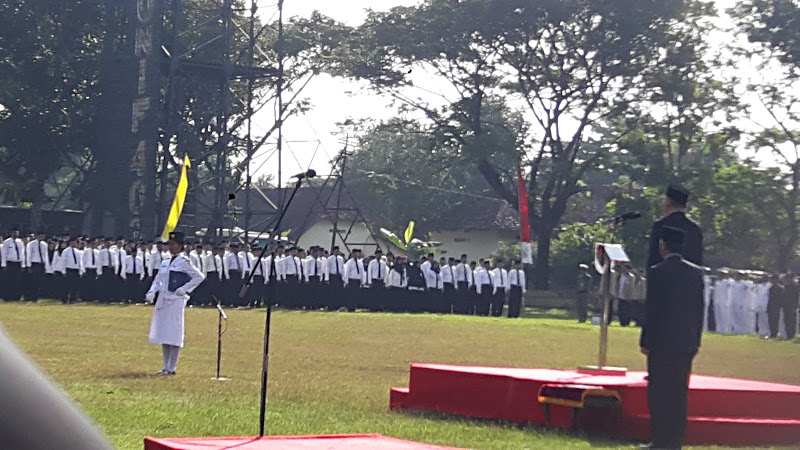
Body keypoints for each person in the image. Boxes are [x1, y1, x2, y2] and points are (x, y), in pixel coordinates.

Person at [640, 226, 704, 449]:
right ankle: (675, 440)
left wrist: (646, 341)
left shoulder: (657, 272)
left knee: (658, 392)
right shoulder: (695, 273)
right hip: (685, 342)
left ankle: (660, 440)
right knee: (679, 393)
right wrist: (696, 341)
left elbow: (652, 311)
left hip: (661, 342)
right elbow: (699, 311)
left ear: (662, 246)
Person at [144, 231, 205, 376]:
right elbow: (158, 279)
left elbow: (199, 276)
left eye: (173, 244)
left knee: (174, 333)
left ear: (180, 246)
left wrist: (184, 289)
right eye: (169, 244)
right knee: (164, 333)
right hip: (163, 300)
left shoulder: (184, 262)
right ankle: (165, 366)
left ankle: (172, 367)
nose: (171, 247)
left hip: (176, 301)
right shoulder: (165, 261)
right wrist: (152, 292)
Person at [647, 185, 703, 267]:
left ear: (668, 202)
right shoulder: (695, 229)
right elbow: (698, 261)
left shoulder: (660, 225)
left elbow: (653, 257)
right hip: (687, 277)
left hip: (663, 276)